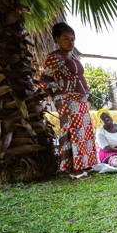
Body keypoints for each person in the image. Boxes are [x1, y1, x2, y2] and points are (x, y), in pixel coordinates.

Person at [40, 22, 97, 180]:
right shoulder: (54, 57)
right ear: (56, 39)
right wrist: (61, 91)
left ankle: (85, 164)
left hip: (80, 101)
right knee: (72, 132)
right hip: (66, 100)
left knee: (84, 133)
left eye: (73, 39)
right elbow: (44, 81)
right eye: (66, 38)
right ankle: (73, 169)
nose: (70, 42)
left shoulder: (71, 57)